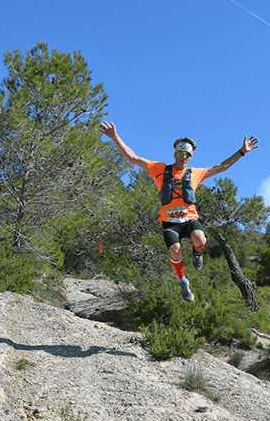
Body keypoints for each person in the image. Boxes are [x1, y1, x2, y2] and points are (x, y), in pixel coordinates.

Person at [99, 121, 259, 301]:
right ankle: (183, 282)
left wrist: (242, 151)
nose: (183, 157)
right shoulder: (159, 169)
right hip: (170, 223)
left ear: (191, 156)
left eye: (187, 154)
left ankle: (197, 253)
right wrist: (115, 137)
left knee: (200, 238)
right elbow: (133, 158)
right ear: (175, 152)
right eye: (180, 153)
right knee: (175, 251)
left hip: (189, 219)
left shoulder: (195, 173)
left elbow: (221, 167)